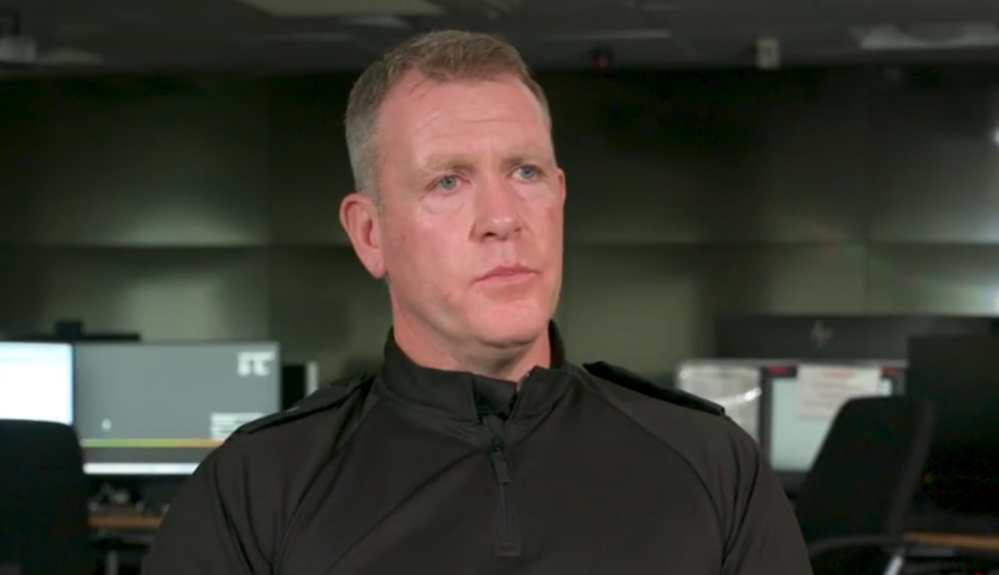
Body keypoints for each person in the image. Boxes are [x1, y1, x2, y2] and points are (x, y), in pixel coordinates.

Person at [142, 30, 812, 574]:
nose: (501, 217)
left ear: (558, 198)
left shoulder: (710, 462)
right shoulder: (255, 486)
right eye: (446, 181)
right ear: (369, 233)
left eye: (524, 172)